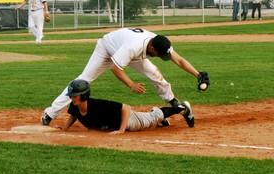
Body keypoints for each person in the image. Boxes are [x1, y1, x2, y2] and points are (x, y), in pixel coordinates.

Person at [41, 28, 208, 128]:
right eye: (157, 54)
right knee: (83, 80)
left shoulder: (159, 42)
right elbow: (116, 68)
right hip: (107, 49)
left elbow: (178, 59)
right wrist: (131, 85)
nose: (158, 56)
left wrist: (197, 74)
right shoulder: (134, 46)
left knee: (155, 73)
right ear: (151, 47)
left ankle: (174, 103)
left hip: (131, 54)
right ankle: (49, 114)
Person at [55, 79, 194, 134]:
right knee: (152, 117)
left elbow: (125, 108)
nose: (71, 97)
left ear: (84, 95)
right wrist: (65, 128)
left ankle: (182, 108)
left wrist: (122, 129)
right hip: (117, 124)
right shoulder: (74, 105)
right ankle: (160, 118)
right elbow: (74, 115)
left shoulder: (98, 105)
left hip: (128, 122)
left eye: (74, 95)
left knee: (153, 117)